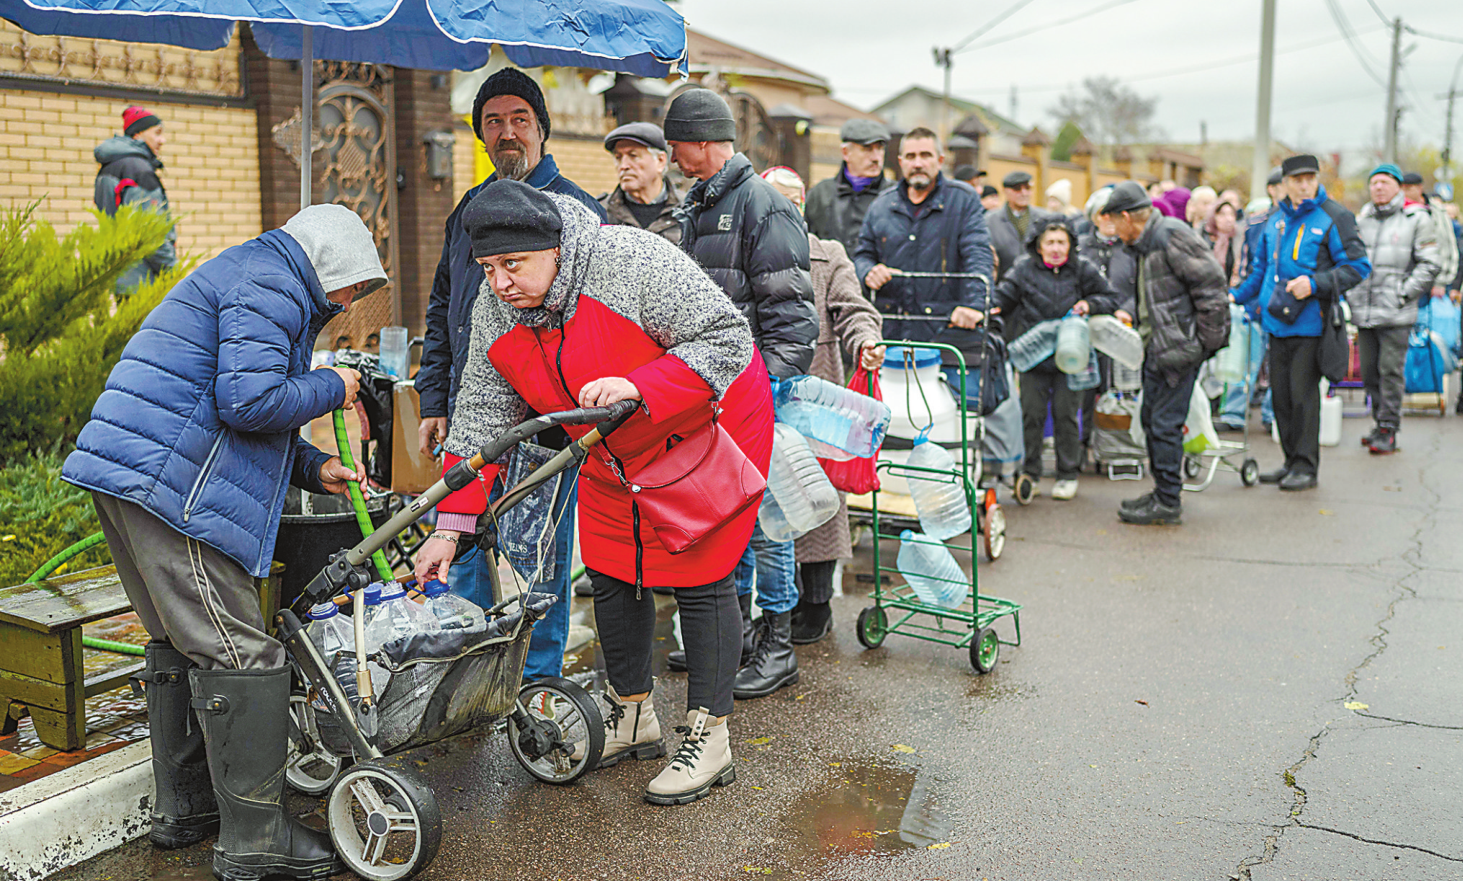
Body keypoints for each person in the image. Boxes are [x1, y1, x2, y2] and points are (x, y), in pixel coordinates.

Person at [412, 181, 773, 805]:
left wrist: (640, 385)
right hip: (607, 443)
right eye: (488, 268)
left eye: (513, 265)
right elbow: (478, 418)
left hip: (704, 420)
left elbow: (726, 339)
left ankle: (709, 734)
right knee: (611, 566)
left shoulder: (630, 263)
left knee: (697, 570)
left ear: (553, 247)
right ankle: (633, 716)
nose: (499, 283)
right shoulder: (499, 307)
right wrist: (451, 525)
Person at [61, 204, 385, 879]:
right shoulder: (269, 283)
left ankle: (187, 808)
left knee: (182, 640)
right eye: (355, 287)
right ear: (332, 266)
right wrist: (336, 384)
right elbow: (249, 400)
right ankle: (256, 837)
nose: (351, 302)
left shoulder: (256, 275)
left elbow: (232, 405)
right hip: (168, 486)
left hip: (133, 473)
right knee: (243, 650)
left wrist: (309, 466)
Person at [416, 67, 607, 683]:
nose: (507, 134)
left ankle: (539, 682)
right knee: (459, 534)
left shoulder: (575, 211)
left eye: (519, 120)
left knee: (540, 556)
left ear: (542, 130)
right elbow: (443, 308)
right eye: (493, 122)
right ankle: (470, 673)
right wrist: (433, 396)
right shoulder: (467, 210)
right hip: (472, 407)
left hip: (546, 421)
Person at [665, 87, 817, 700]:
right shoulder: (699, 207)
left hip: (754, 391)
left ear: (701, 140)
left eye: (676, 143)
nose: (671, 155)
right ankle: (750, 634)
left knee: (768, 518)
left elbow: (791, 312)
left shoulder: (761, 205)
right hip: (713, 392)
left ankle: (779, 645)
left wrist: (768, 388)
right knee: (734, 514)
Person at [761, 166, 884, 644]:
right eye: (773, 200)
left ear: (805, 203)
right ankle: (777, 606)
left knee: (820, 495)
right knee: (774, 498)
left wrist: (867, 340)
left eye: (792, 200)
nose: (784, 209)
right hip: (763, 392)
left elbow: (853, 309)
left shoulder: (828, 255)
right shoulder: (751, 252)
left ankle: (817, 604)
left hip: (816, 392)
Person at [1231, 154, 1369, 491]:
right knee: (1280, 398)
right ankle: (1290, 460)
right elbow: (1260, 270)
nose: (1304, 184)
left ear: (1317, 179)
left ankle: (1307, 466)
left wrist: (1316, 283)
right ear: (1285, 184)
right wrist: (1235, 296)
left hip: (1312, 326)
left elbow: (1358, 267)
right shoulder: (1275, 219)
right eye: (1297, 179)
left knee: (1303, 397)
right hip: (1275, 325)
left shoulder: (1335, 217)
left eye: (1310, 178)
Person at [1098, 181, 1229, 524]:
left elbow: (1212, 287)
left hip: (1178, 352)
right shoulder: (1144, 243)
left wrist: (1202, 346)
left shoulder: (1170, 234)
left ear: (1127, 217)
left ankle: (1169, 502)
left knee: (1165, 425)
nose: (1112, 229)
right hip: (1156, 349)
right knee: (1152, 422)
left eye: (1113, 220)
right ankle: (1161, 492)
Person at [854, 126, 994, 392]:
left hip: (945, 333)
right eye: (911, 156)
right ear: (901, 161)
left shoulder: (963, 200)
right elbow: (863, 253)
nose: (918, 163)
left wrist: (975, 305)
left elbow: (978, 252)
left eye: (926, 155)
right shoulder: (881, 206)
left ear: (940, 161)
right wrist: (868, 270)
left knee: (951, 422)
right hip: (891, 336)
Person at [996, 217, 1126, 500]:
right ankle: (1030, 473)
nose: (1056, 248)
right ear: (1038, 246)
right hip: (1033, 355)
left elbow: (1110, 297)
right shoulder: (1023, 269)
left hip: (1072, 356)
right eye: (1050, 242)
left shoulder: (1082, 269)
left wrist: (1089, 304)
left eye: (1061, 242)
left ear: (1070, 245)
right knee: (1032, 414)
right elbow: (1003, 298)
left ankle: (1067, 473)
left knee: (1066, 415)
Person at [1349, 164, 1440, 454]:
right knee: (1370, 372)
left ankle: (1389, 428)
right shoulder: (1362, 220)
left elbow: (1430, 263)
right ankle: (1379, 423)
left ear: (1398, 187)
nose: (1378, 187)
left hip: (1397, 312)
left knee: (1390, 371)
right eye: (1374, 182)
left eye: (1385, 182)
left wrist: (1404, 294)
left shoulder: (1416, 219)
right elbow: (1352, 261)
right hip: (1365, 311)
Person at [1216, 168, 1286, 433]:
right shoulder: (1256, 224)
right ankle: (1234, 412)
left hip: (1286, 306)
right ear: (1272, 189)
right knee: (1244, 360)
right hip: (1255, 304)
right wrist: (1238, 296)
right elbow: (1251, 269)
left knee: (1277, 365)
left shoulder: (1296, 221)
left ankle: (1272, 415)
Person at [93, 105, 177, 293]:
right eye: (157, 133)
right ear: (137, 135)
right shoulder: (139, 170)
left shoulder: (108, 168)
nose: (162, 140)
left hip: (121, 277)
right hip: (145, 281)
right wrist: (172, 271)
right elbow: (150, 233)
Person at [804, 118, 893, 260]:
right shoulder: (820, 195)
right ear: (845, 152)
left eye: (880, 148)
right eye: (867, 149)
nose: (876, 157)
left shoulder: (894, 196)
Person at [599, 122, 682, 244]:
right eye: (618, 157)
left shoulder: (688, 210)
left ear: (660, 161)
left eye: (633, 156)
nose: (624, 166)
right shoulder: (599, 212)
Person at [1402, 172, 1460, 304]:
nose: (1404, 193)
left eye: (1408, 189)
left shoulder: (1436, 210)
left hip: (1435, 281)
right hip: (1410, 279)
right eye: (1402, 189)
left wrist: (1442, 282)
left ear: (1419, 188)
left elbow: (1448, 245)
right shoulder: (1400, 210)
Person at [987, 170, 1046, 282]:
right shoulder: (990, 221)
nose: (1024, 193)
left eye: (1027, 188)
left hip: (1038, 285)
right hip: (1003, 285)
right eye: (1017, 189)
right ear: (1005, 191)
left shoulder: (1044, 218)